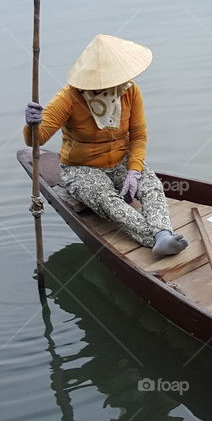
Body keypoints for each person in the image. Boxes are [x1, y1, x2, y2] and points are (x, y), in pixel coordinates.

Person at [23, 34, 187, 257]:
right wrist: (32, 124)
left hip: (121, 160)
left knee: (151, 185)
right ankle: (155, 238)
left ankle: (163, 234)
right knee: (105, 198)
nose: (114, 87)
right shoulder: (69, 98)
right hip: (81, 168)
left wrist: (134, 171)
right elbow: (37, 140)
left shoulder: (130, 91)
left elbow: (138, 135)